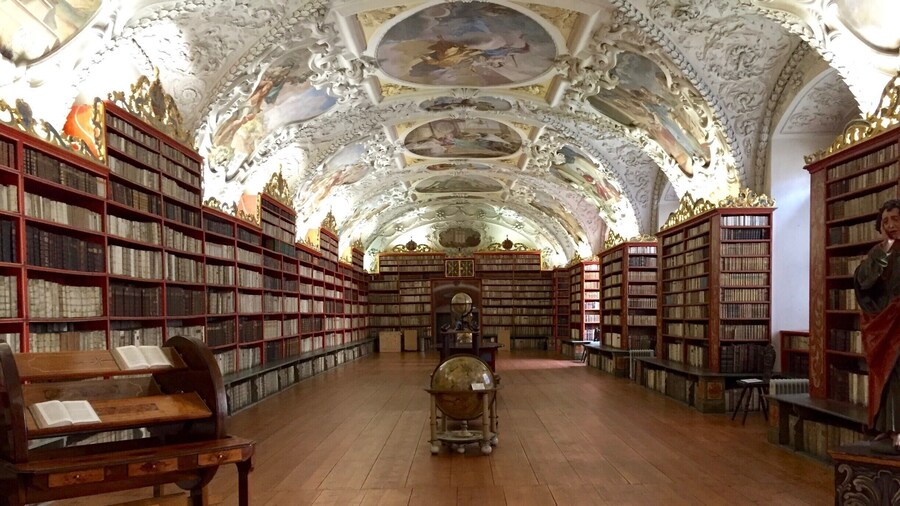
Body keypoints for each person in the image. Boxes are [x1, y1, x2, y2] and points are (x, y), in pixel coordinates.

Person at [854, 198, 900, 449]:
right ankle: (886, 426)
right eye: (885, 221)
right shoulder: (878, 252)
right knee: (886, 374)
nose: (890, 225)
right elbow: (863, 282)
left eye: (895, 219)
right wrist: (883, 254)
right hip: (885, 325)